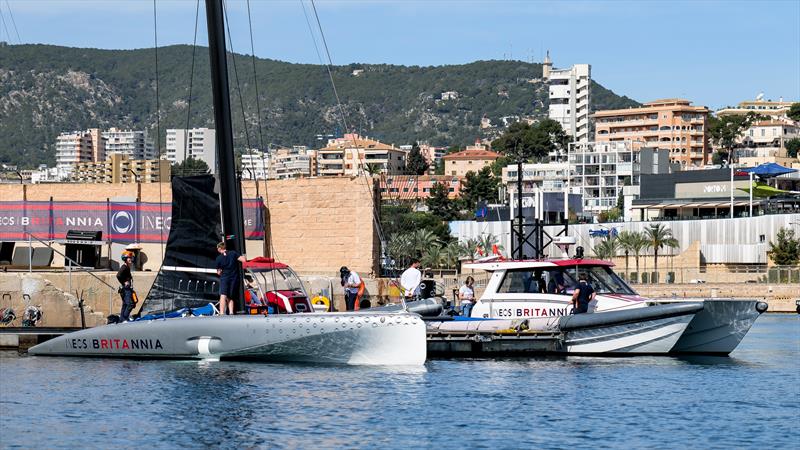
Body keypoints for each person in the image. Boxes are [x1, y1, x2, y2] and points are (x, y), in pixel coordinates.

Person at [215, 242, 247, 315]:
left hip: (224, 278)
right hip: (234, 278)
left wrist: (221, 271)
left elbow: (219, 272)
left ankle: (222, 313)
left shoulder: (218, 258)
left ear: (220, 248)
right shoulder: (233, 253)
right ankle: (231, 312)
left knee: (223, 295)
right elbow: (243, 260)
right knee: (230, 296)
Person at [116, 251, 135, 322]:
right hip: (126, 289)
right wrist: (124, 282)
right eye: (129, 258)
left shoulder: (127, 267)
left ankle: (122, 318)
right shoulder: (124, 267)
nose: (130, 259)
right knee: (130, 304)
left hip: (126, 289)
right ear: (125, 259)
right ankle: (125, 318)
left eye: (131, 258)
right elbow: (118, 275)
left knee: (125, 304)